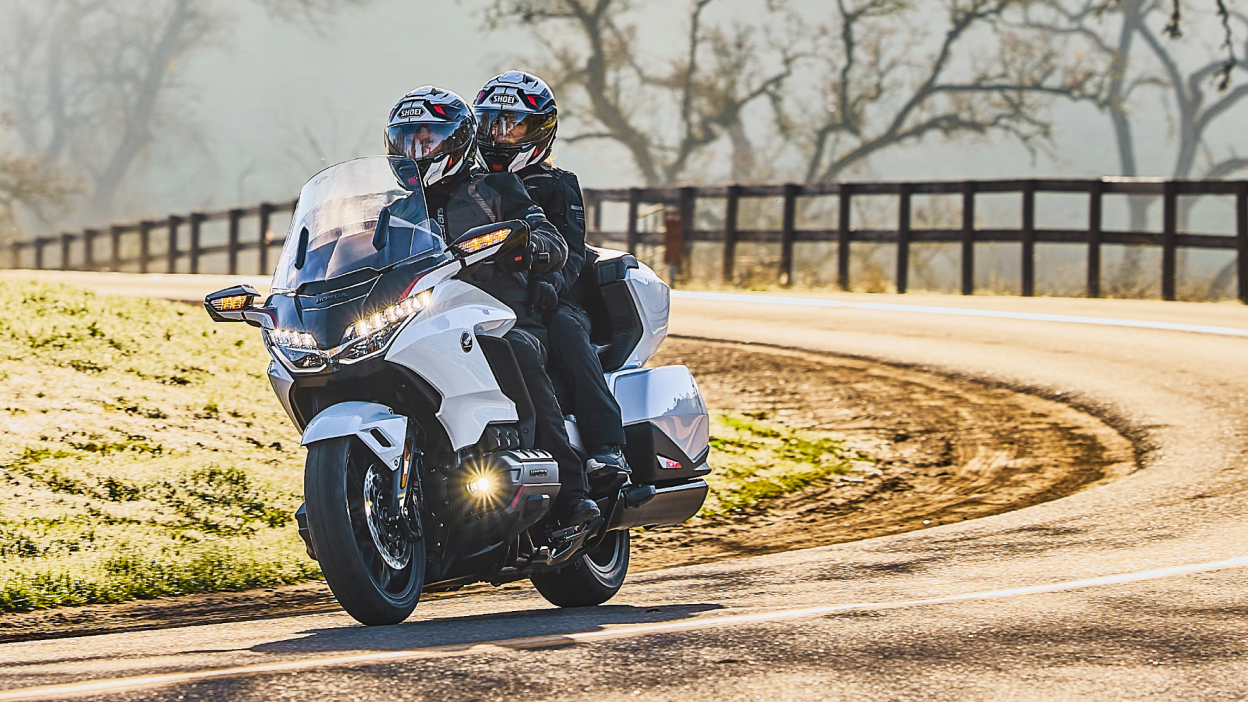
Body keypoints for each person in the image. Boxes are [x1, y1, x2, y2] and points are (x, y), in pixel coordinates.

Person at [384, 86, 600, 526]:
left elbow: (549, 236)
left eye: (428, 139)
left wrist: (534, 248)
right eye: (407, 140)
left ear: (457, 139)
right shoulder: (399, 210)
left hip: (507, 316)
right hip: (429, 321)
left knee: (514, 350)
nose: (417, 150)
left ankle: (575, 494)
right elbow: (367, 260)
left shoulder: (496, 186)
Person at [472, 71, 630, 485]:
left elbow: (573, 252)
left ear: (539, 130)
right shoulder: (468, 185)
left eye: (513, 124)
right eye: (492, 122)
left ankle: (606, 446)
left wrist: (551, 287)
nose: (500, 133)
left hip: (558, 298)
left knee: (565, 330)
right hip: (496, 298)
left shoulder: (558, 184)